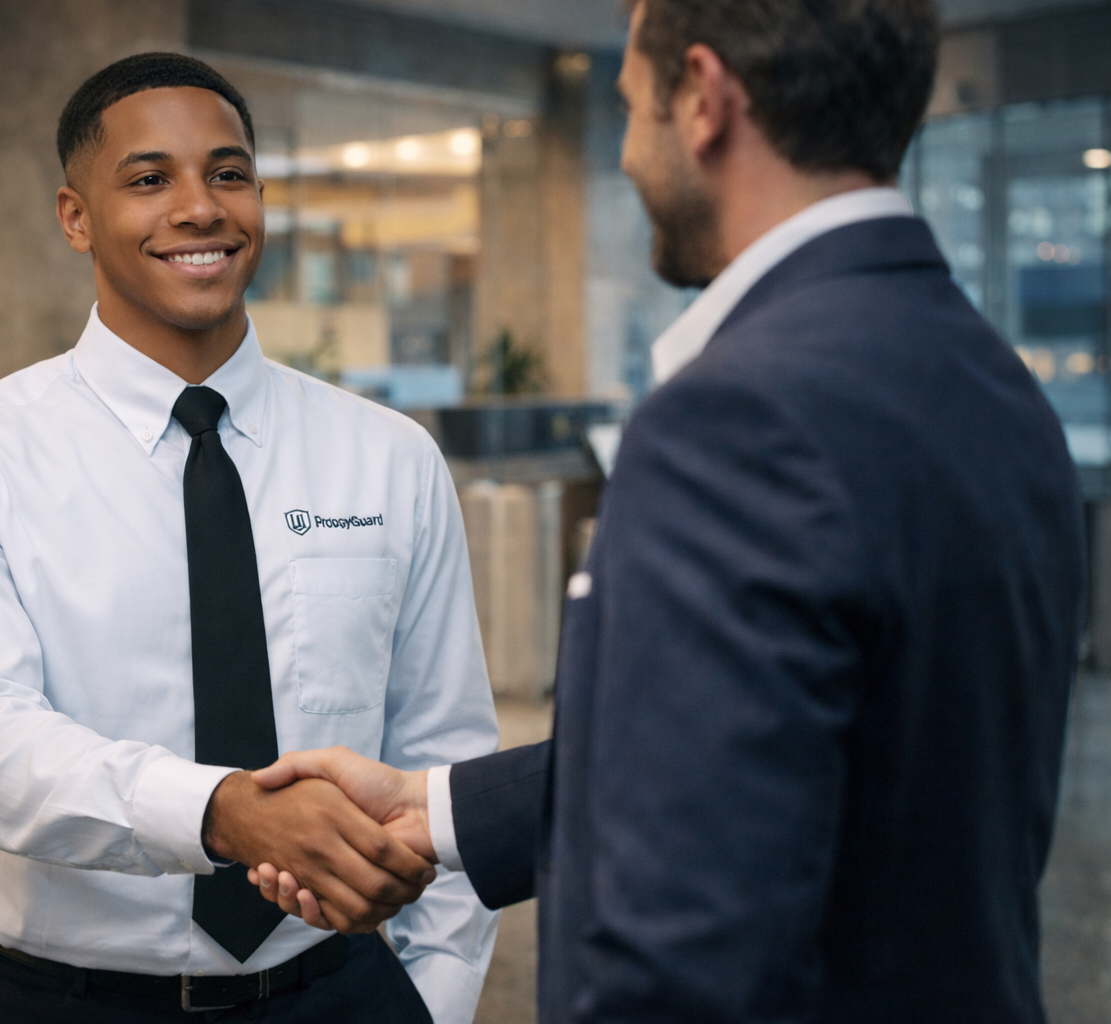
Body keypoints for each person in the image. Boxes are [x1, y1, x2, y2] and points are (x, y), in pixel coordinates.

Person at [247, 0, 1088, 1020]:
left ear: (703, 97)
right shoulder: (987, 377)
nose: (633, 157)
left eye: (635, 108)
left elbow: (684, 931)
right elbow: (796, 757)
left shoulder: (736, 419)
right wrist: (439, 809)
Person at [0, 52, 500, 1024]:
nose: (200, 207)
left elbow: (444, 749)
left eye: (230, 173)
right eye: (150, 178)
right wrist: (224, 812)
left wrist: (438, 995)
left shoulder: (389, 457)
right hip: (58, 1000)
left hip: (340, 992)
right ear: (75, 216)